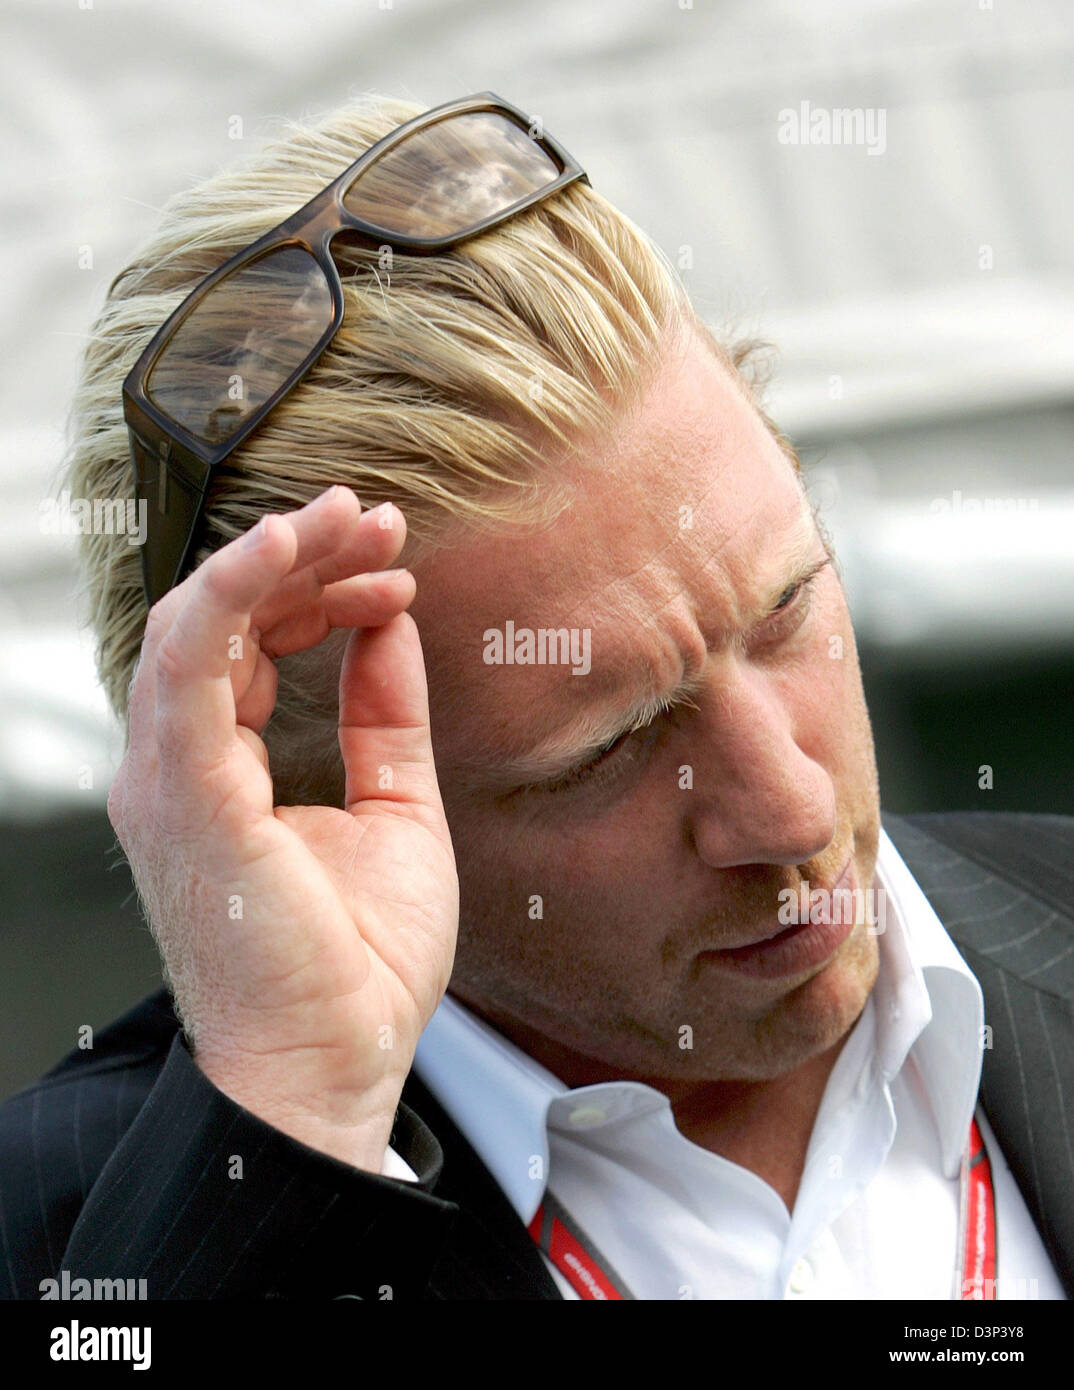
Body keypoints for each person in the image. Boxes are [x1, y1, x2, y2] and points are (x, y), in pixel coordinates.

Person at [2, 91, 1071, 1302]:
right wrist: (291, 1116)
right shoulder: (74, 1252)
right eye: (606, 749)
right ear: (305, 801)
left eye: (787, 609)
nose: (788, 809)